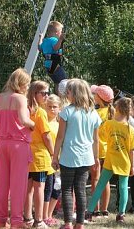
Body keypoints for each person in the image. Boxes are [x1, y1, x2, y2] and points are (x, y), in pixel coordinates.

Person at [0, 68, 35, 229]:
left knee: (2, 183)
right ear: (22, 83)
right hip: (19, 144)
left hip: (2, 144)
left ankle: (0, 220)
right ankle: (17, 221)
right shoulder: (20, 99)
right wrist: (33, 125)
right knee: (18, 184)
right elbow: (25, 121)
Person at [52, 79, 101, 229]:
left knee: (67, 189)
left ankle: (67, 223)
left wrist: (55, 156)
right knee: (80, 190)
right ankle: (80, 223)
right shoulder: (93, 113)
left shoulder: (66, 112)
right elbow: (96, 140)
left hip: (68, 156)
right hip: (86, 157)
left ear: (75, 93)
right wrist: (96, 158)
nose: (66, 94)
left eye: (68, 91)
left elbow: (60, 136)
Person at [87, 97, 134, 223]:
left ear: (118, 109)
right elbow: (132, 150)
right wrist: (132, 165)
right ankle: (121, 214)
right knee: (123, 187)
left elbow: (100, 137)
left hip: (110, 160)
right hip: (124, 162)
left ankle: (89, 211)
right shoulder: (130, 129)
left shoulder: (109, 124)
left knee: (100, 185)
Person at [26, 81, 55, 229]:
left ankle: (27, 217)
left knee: (28, 188)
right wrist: (52, 153)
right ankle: (38, 220)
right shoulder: (40, 112)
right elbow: (46, 136)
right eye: (43, 93)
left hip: (26, 153)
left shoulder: (25, 109)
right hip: (39, 155)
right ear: (34, 93)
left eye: (47, 93)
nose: (46, 96)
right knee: (39, 187)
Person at [91, 84, 115, 216]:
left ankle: (95, 209)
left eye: (95, 95)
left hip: (97, 150)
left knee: (95, 179)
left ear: (99, 98)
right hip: (110, 151)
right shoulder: (114, 113)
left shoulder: (95, 113)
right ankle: (105, 209)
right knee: (106, 181)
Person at [43, 94, 62, 226]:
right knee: (47, 189)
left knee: (57, 189)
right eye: (49, 106)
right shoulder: (44, 122)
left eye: (55, 107)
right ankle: (44, 215)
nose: (52, 109)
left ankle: (49, 214)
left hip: (59, 161)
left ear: (59, 108)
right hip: (46, 160)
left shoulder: (60, 124)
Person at [40, 21, 68, 86]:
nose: (61, 34)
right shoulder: (54, 40)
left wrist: (40, 38)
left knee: (57, 83)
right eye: (61, 32)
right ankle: (61, 96)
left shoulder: (45, 40)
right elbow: (56, 48)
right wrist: (60, 40)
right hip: (55, 64)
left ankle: (57, 95)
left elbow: (40, 48)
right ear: (57, 33)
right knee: (64, 82)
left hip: (48, 65)